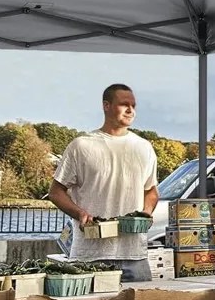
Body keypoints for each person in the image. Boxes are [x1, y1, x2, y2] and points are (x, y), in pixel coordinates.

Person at [49, 84, 159, 281]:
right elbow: (56, 192)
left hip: (134, 256)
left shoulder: (144, 147)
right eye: (124, 104)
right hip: (90, 256)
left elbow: (150, 190)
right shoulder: (81, 146)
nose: (130, 110)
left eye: (133, 105)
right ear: (106, 106)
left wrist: (146, 212)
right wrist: (79, 213)